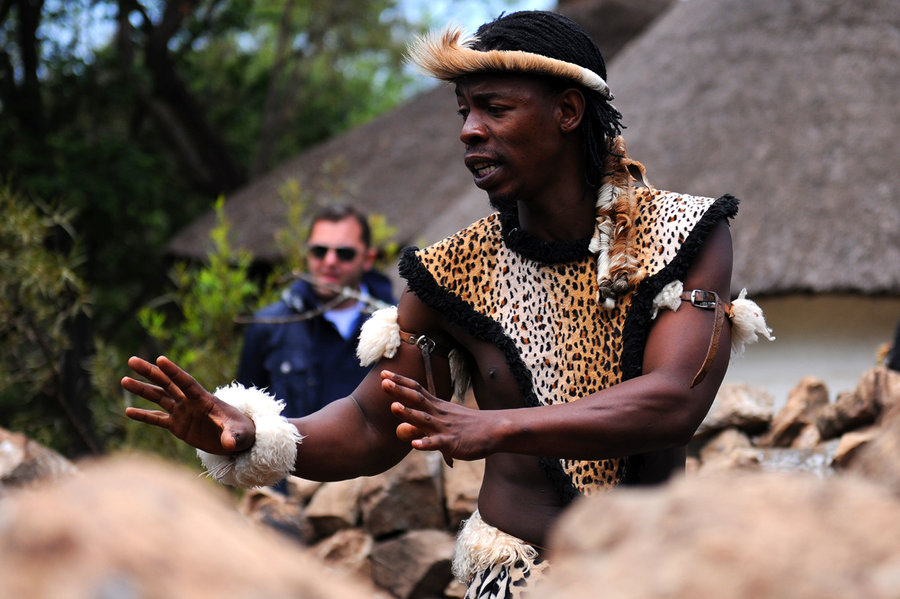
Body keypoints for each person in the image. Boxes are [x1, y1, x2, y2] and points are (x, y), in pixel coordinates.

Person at [121, 11, 772, 598]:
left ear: (568, 112)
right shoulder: (450, 272)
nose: (468, 130)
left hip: (655, 573)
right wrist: (253, 435)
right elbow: (373, 423)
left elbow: (672, 400)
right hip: (512, 575)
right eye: (462, 110)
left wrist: (497, 425)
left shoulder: (685, 234)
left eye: (493, 107)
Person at [236, 204, 395, 418]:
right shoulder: (268, 325)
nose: (330, 261)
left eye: (344, 253)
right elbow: (240, 416)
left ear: (368, 259)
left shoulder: (398, 327)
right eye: (319, 251)